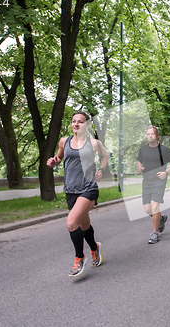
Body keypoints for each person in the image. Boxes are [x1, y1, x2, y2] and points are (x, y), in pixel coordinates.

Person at [46, 111, 109, 277]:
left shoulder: (94, 143)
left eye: (80, 122)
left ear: (87, 125)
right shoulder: (64, 141)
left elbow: (105, 156)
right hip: (71, 189)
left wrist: (101, 169)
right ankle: (95, 248)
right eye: (74, 121)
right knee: (83, 225)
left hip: (88, 188)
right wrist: (53, 162)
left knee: (71, 223)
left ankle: (79, 257)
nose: (76, 124)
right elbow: (59, 158)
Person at [136, 125, 170, 244]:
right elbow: (138, 160)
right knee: (147, 209)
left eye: (152, 134)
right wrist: (139, 167)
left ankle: (155, 233)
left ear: (157, 135)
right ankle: (161, 218)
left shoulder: (164, 149)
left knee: (154, 206)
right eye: (148, 134)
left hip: (159, 181)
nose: (150, 136)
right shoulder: (143, 149)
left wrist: (166, 172)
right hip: (147, 181)